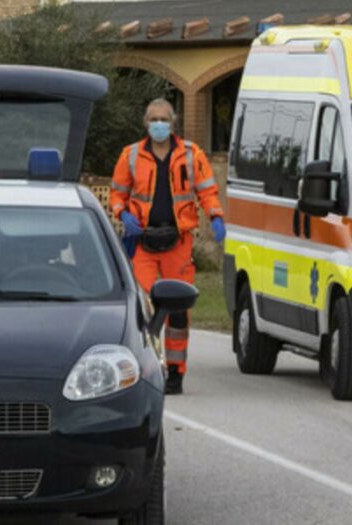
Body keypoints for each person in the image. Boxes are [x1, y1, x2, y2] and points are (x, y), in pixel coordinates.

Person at [110, 99, 226, 395]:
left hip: (178, 241)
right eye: (153, 119)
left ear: (173, 122)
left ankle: (175, 372)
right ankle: (144, 367)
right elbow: (117, 194)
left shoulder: (190, 154)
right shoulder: (131, 155)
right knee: (141, 308)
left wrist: (215, 216)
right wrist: (122, 214)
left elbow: (207, 191)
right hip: (143, 242)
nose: (158, 124)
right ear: (145, 122)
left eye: (163, 119)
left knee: (177, 311)